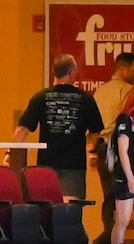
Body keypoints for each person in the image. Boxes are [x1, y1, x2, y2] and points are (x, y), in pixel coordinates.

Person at [12, 54, 103, 201]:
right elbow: (95, 132)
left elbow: (22, 130)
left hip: (46, 166)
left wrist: (11, 156)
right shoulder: (85, 99)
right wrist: (83, 145)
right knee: (71, 211)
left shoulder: (41, 97)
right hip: (74, 166)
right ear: (72, 73)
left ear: (54, 72)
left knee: (45, 209)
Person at [110, 89, 134, 244]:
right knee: (122, 220)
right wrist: (130, 177)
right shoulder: (124, 120)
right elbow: (123, 151)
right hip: (124, 175)